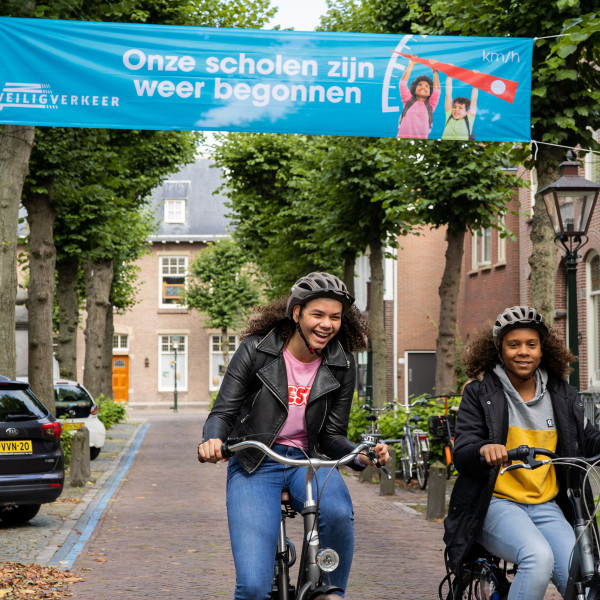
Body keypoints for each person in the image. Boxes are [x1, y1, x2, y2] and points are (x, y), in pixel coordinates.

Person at [198, 272, 389, 600]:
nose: (326, 324)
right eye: (317, 314)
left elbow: (332, 434)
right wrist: (212, 440)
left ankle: (330, 591)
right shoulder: (256, 350)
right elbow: (223, 412)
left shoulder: (342, 363)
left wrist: (358, 454)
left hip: (311, 462)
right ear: (297, 313)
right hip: (256, 460)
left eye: (335, 317)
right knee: (254, 588)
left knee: (339, 513)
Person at [443, 305, 600, 599]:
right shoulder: (480, 393)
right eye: (513, 345)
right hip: (495, 504)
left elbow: (588, 438)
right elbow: (463, 453)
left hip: (547, 507)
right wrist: (483, 449)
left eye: (531, 344)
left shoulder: (561, 394)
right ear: (499, 351)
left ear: (543, 349)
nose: (523, 352)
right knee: (537, 557)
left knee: (581, 576)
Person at [396, 56, 440, 139]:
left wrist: (435, 71)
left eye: (426, 86)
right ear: (414, 90)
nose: (423, 87)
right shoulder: (408, 100)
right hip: (403, 139)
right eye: (420, 85)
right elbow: (402, 84)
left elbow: (437, 91)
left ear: (430, 92)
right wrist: (411, 64)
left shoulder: (430, 106)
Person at [441, 75, 478, 141]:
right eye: (455, 107)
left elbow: (474, 99)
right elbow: (448, 94)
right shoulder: (449, 114)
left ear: (467, 111)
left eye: (460, 108)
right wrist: (449, 76)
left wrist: (476, 77)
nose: (456, 109)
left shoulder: (469, 118)